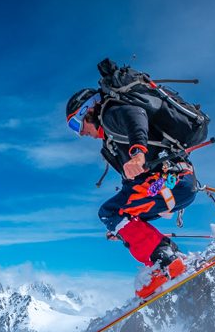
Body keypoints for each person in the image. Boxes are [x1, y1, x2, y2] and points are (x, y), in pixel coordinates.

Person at [66, 87, 197, 297]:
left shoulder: (110, 114)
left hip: (171, 181)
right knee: (117, 216)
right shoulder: (111, 142)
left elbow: (135, 114)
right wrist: (123, 229)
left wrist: (138, 153)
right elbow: (131, 186)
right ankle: (170, 256)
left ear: (88, 110)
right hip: (174, 183)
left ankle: (166, 261)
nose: (80, 132)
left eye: (76, 123)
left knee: (108, 212)